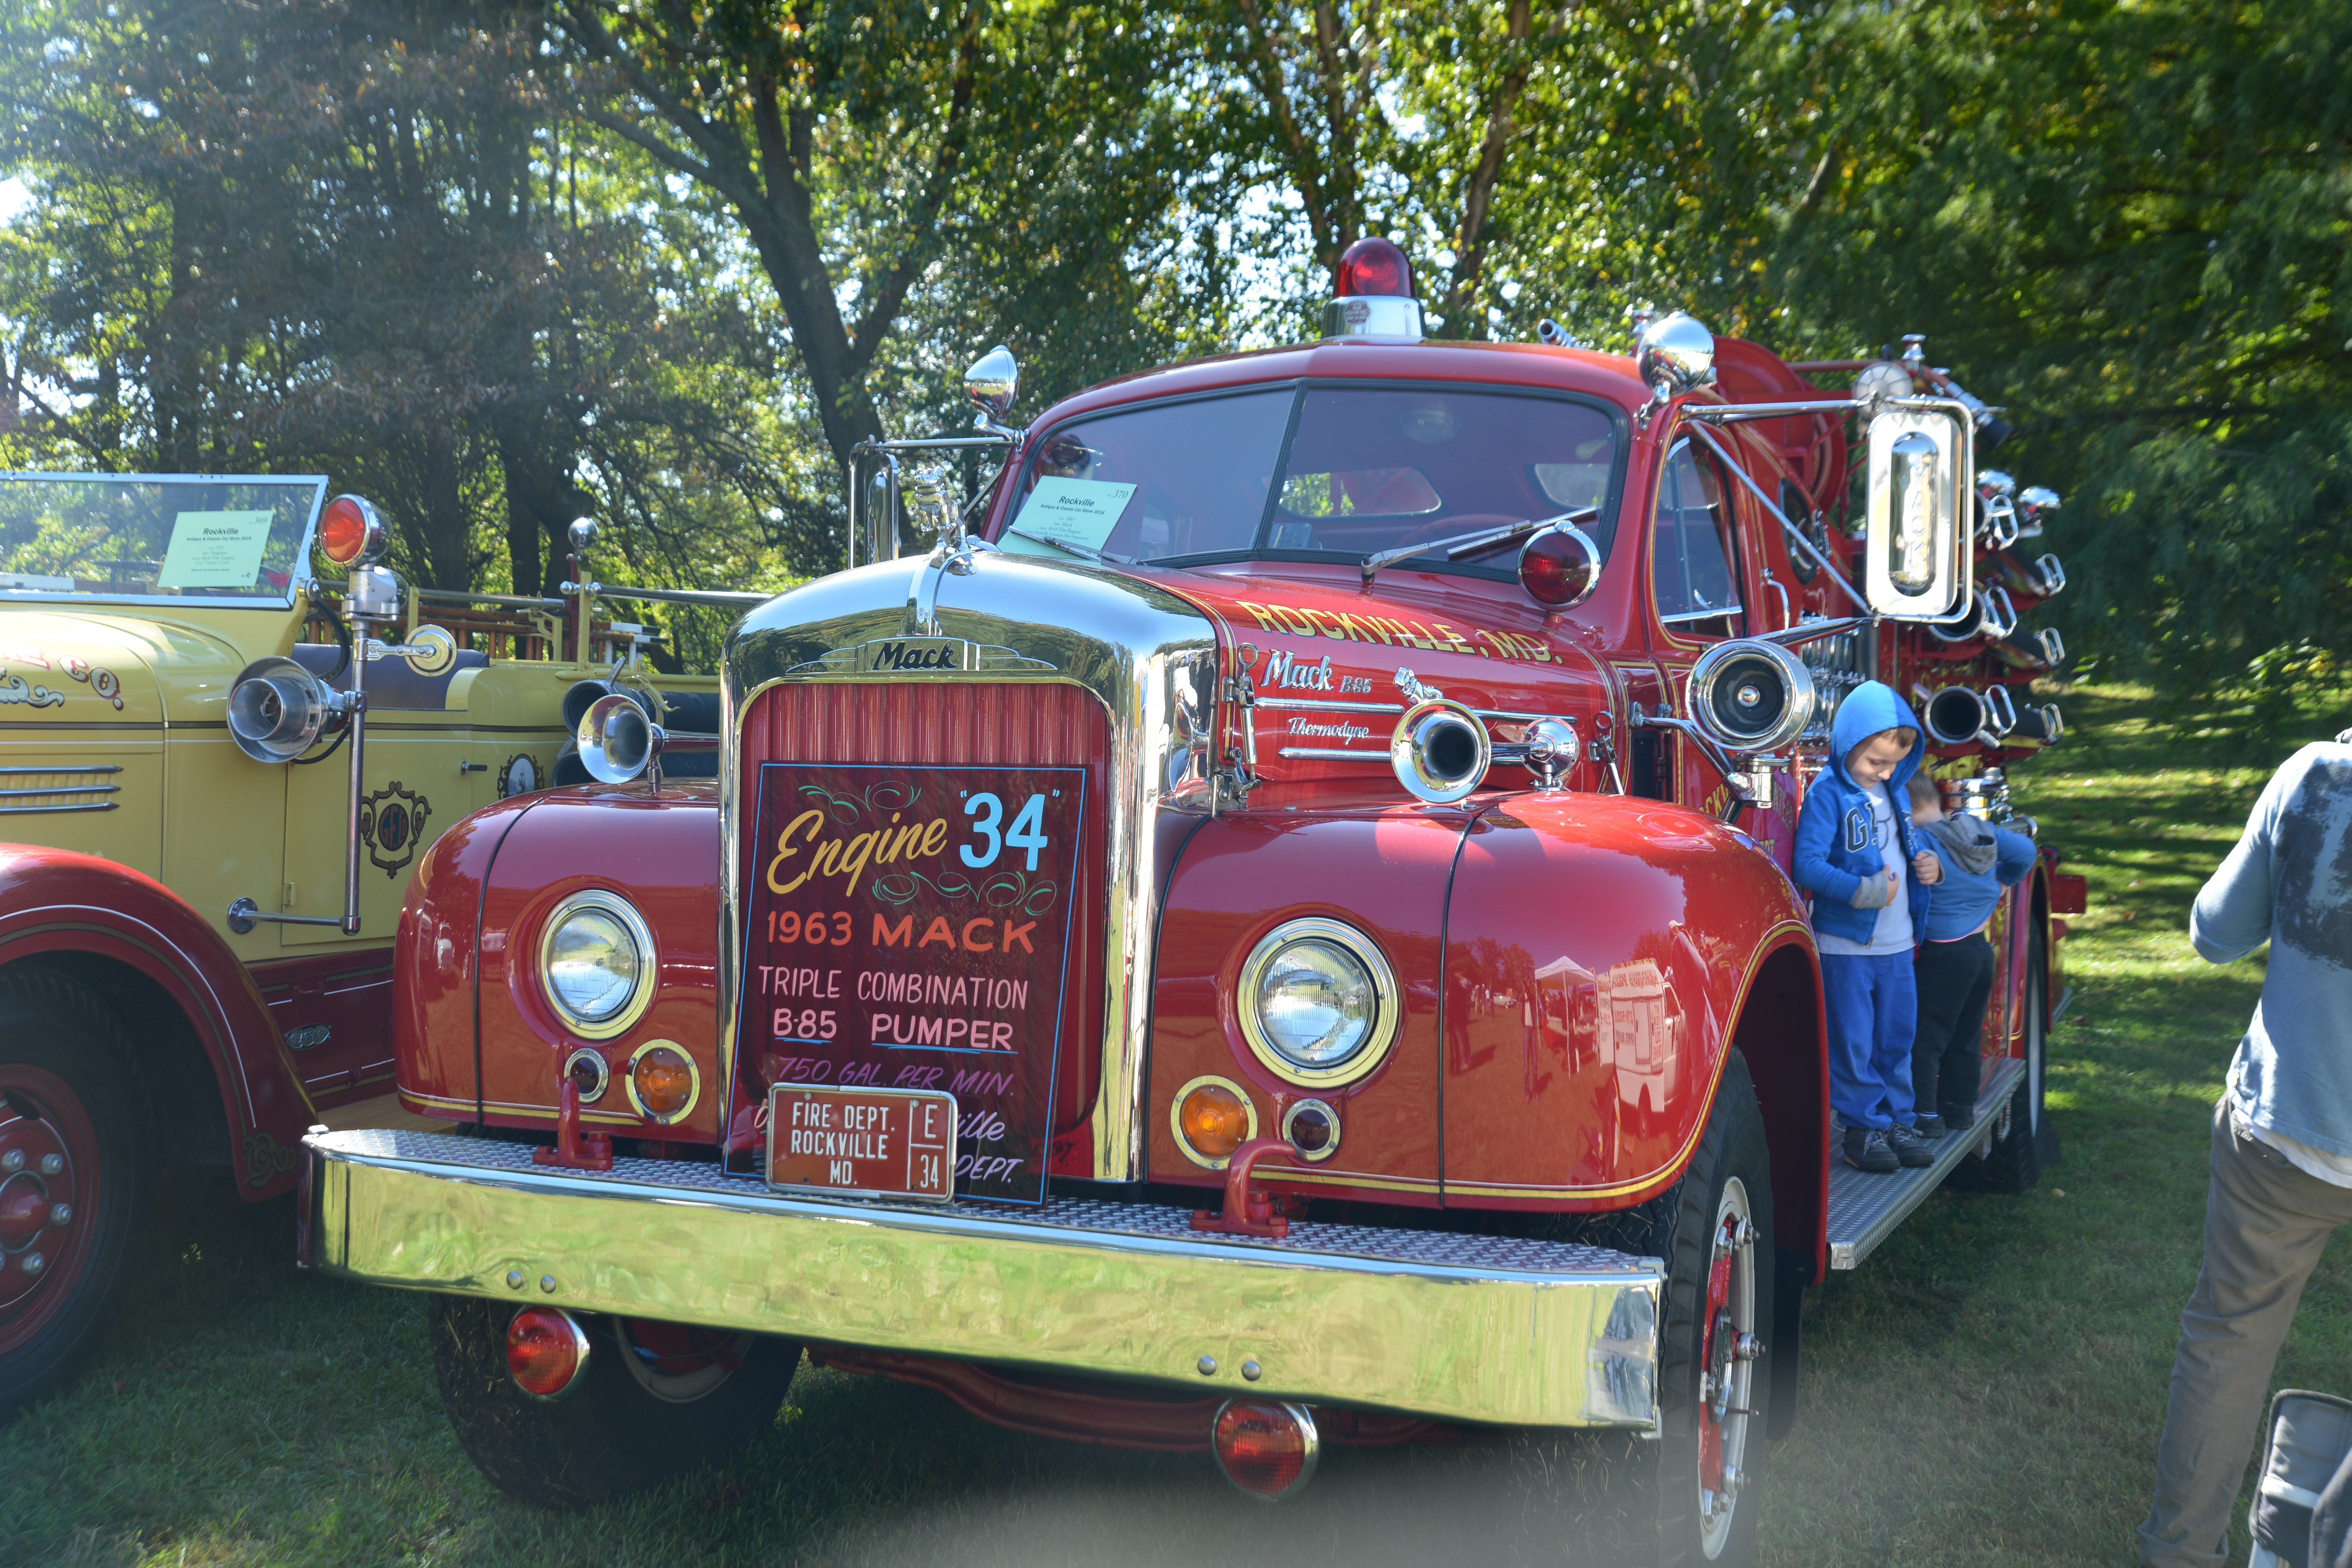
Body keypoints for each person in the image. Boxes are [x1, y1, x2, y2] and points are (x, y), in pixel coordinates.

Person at [2138, 732, 2352, 1568]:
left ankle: (2178, 1554)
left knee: (2229, 1343)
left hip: (2285, 1130)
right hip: (2289, 1129)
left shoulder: (2315, 776)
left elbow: (2216, 933)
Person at [1793, 681, 1943, 1174]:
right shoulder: (1827, 795)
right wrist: (1862, 891)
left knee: (1896, 1036)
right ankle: (1863, 1127)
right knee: (1854, 1040)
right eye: (1874, 761)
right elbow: (1808, 865)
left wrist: (1930, 865)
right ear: (1846, 744)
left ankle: (1898, 1119)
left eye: (1894, 762)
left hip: (1898, 945)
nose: (1884, 771)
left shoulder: (1895, 792)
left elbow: (1910, 843)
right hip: (1847, 946)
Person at [1905, 772, 2038, 1136]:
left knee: (1926, 1038)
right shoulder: (1976, 832)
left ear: (1906, 807)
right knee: (1964, 1037)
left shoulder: (1918, 840)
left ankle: (1925, 1117)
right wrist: (2002, 881)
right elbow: (2027, 851)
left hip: (1943, 955)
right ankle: (1961, 1111)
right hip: (1980, 952)